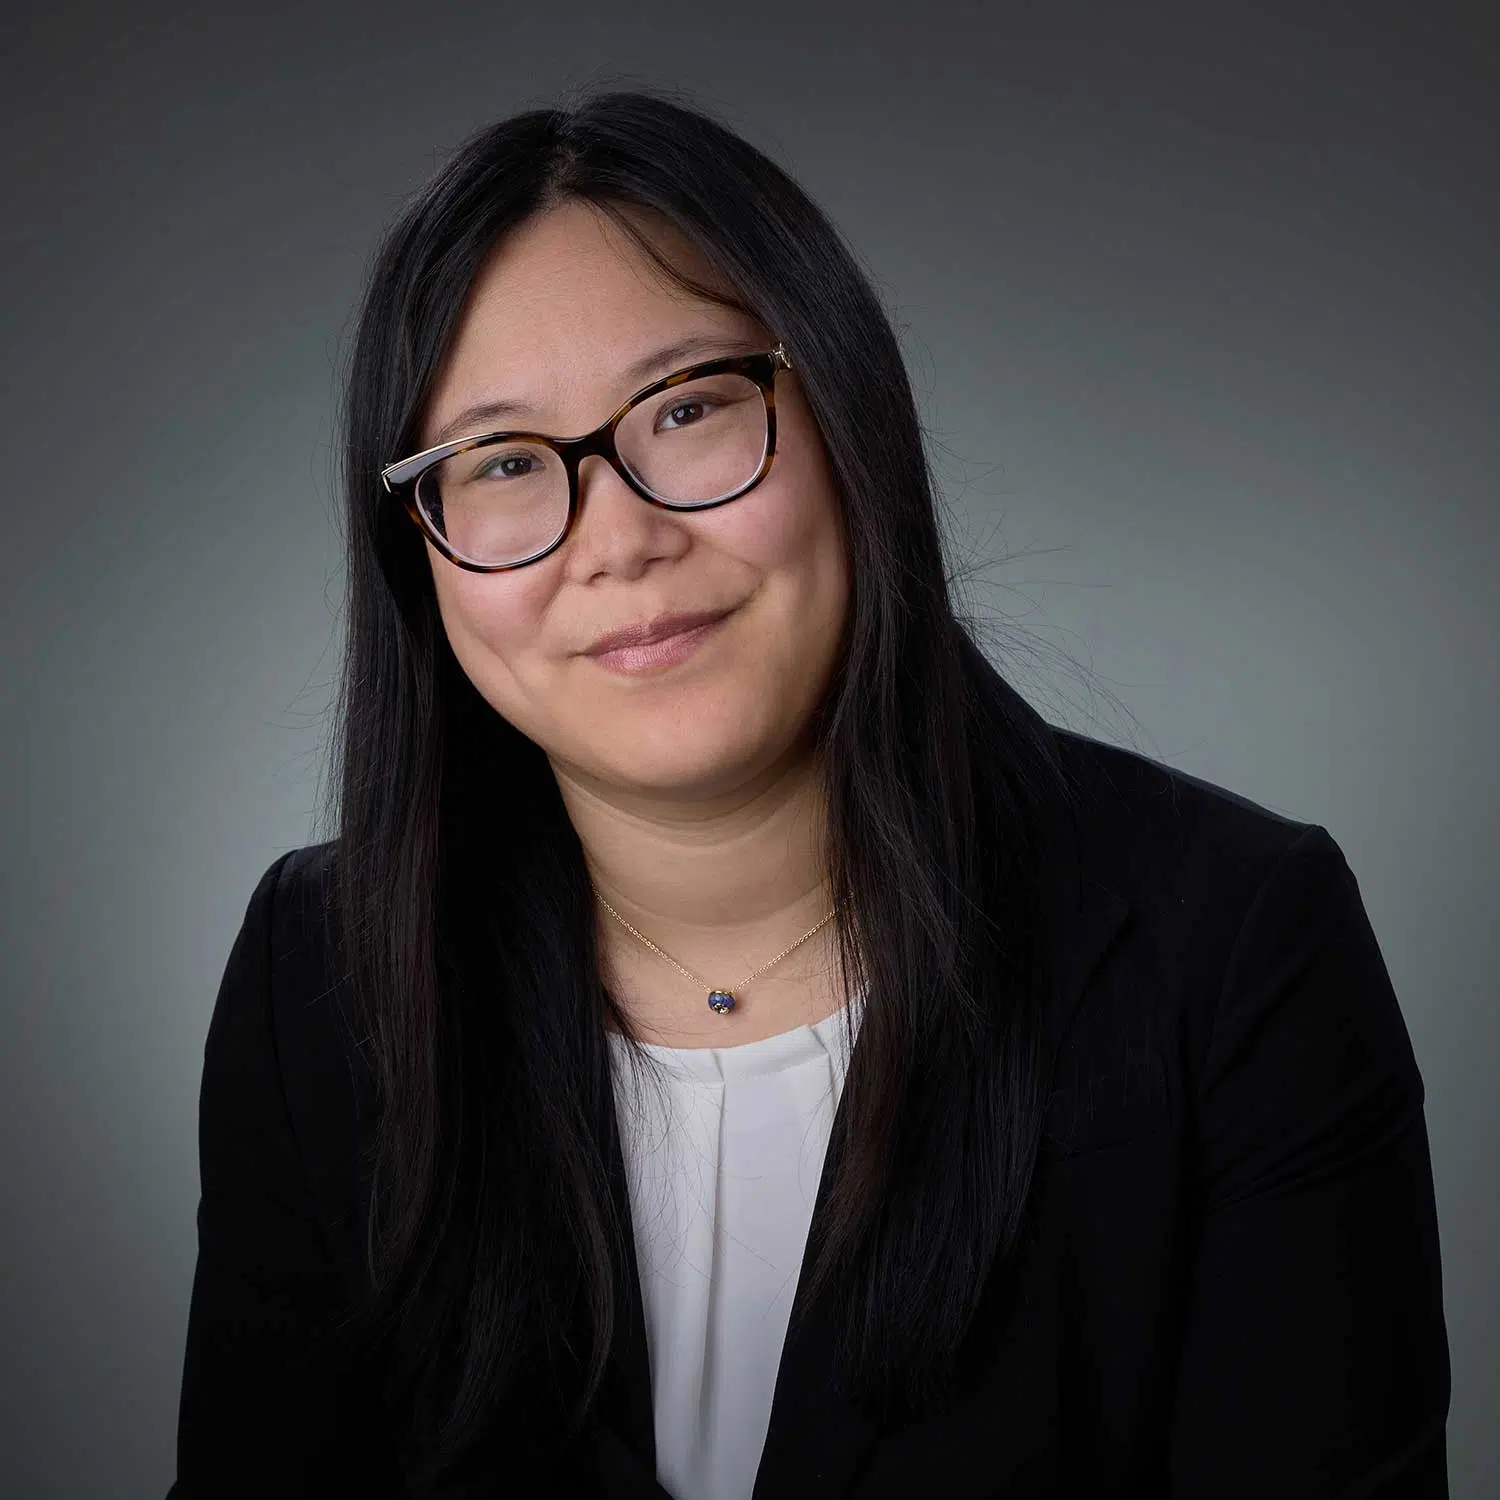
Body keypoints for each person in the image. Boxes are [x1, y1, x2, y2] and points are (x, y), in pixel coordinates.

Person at [166, 87, 1450, 1500]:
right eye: (507, 464)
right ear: (418, 550)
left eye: (692, 409)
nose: (620, 539)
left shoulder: (1235, 946)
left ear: (845, 412)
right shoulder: (322, 973)